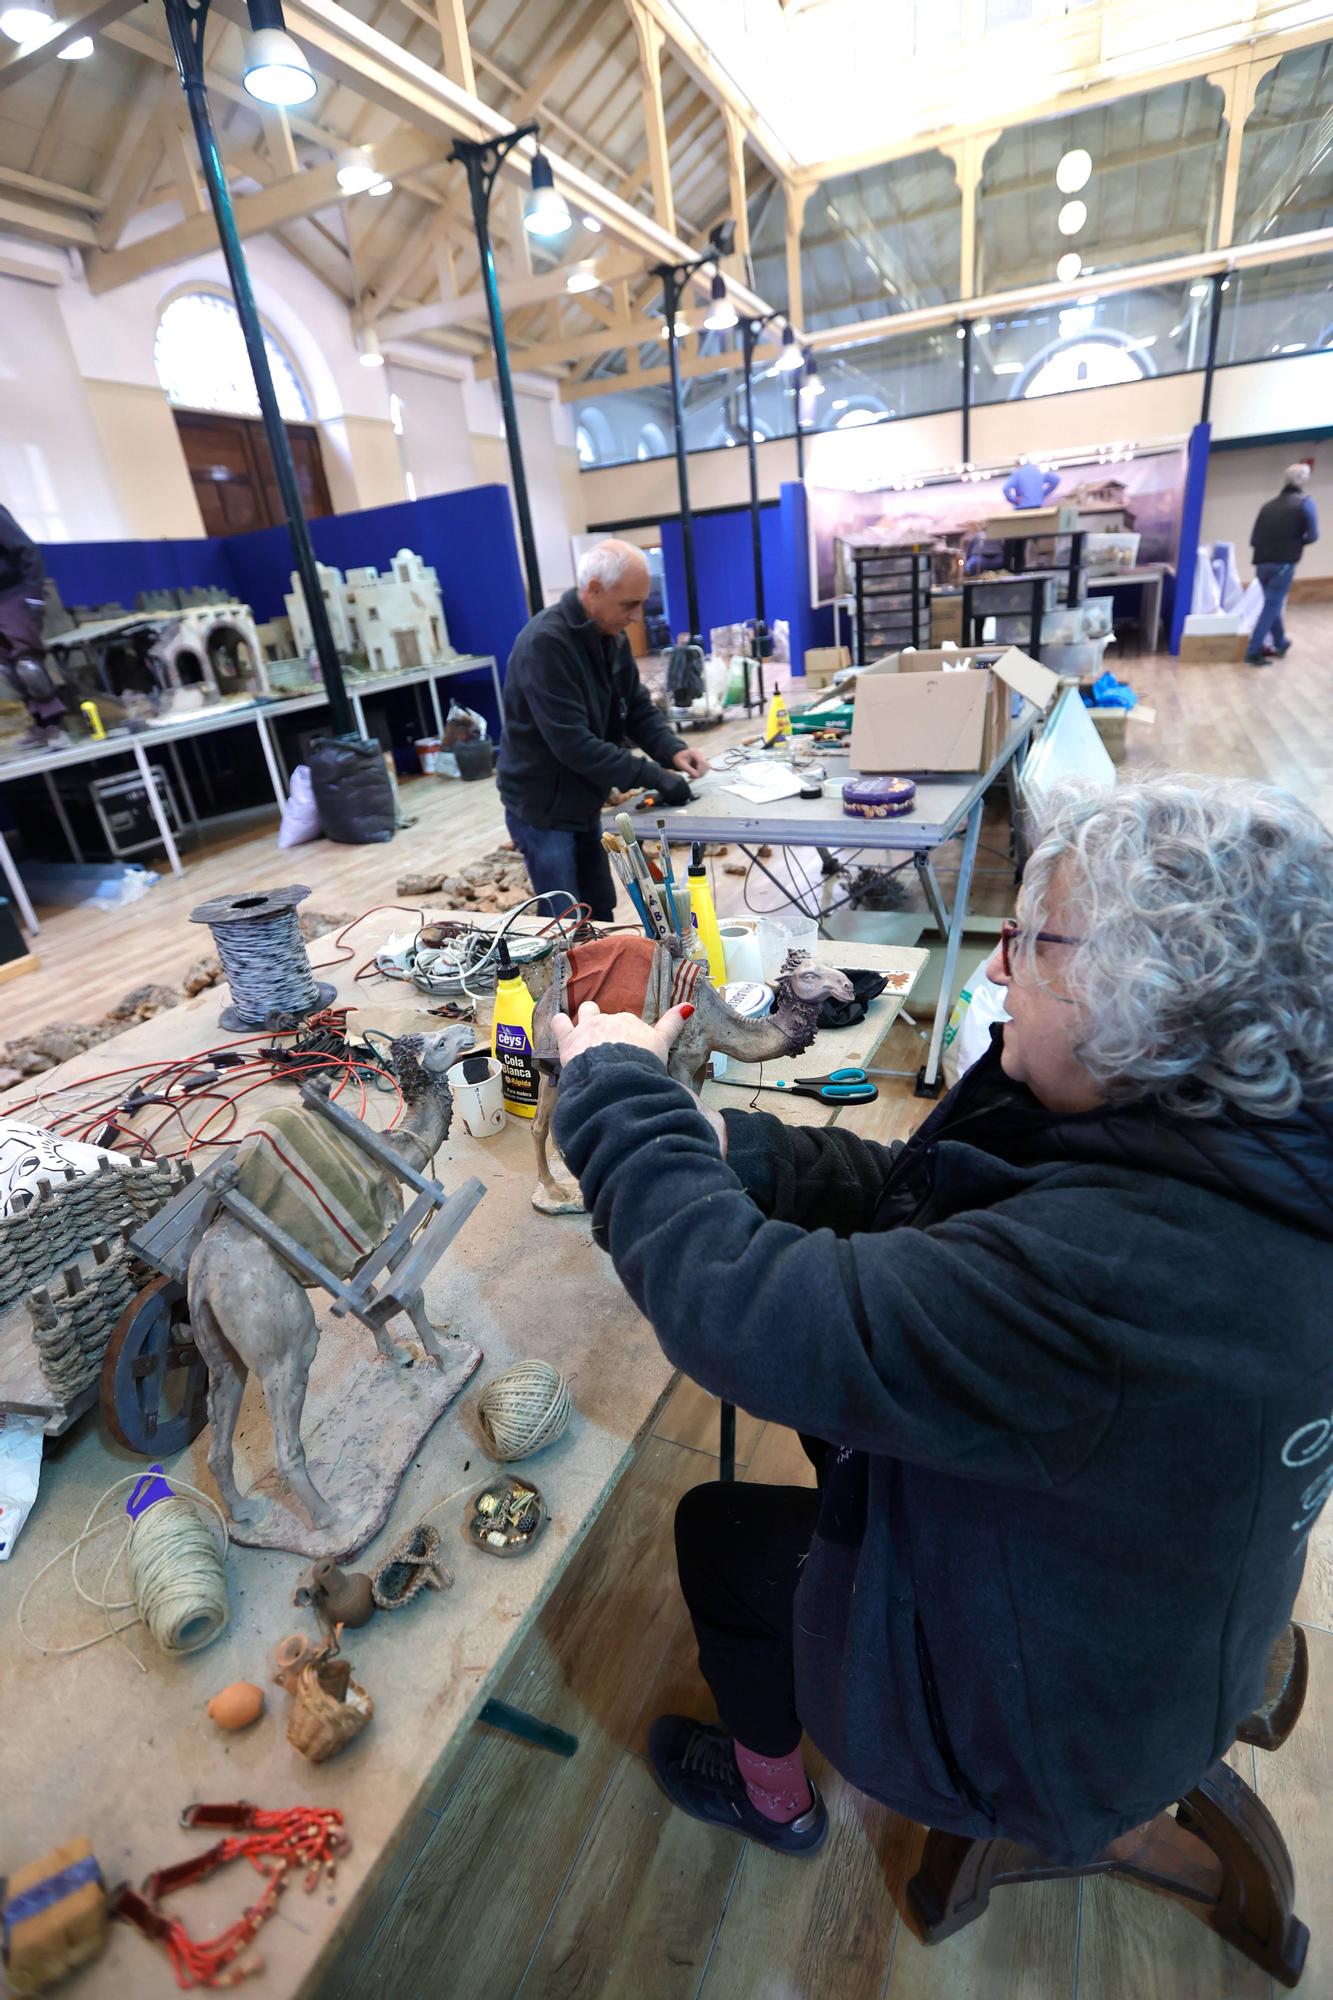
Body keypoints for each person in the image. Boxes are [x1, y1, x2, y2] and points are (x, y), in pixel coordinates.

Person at [547, 775, 1333, 1864]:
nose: (997, 965)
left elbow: (737, 1310)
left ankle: (773, 1799)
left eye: (1031, 941)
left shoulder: (1121, 1280)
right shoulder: (1245, 1143)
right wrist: (754, 1154)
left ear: (1146, 991)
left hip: (1042, 1731)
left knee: (718, 1532)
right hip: (1152, 1605)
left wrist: (612, 1093)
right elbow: (954, 1202)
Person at [497, 541, 709, 922]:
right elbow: (574, 745)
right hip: (543, 807)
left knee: (600, 909)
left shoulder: (610, 638)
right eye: (629, 604)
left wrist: (672, 751)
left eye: (641, 603)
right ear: (593, 589)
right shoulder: (546, 645)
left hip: (582, 799)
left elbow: (636, 708)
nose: (637, 616)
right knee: (566, 919)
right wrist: (655, 777)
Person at [1246, 463, 1319, 667]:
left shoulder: (1267, 506)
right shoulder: (1305, 502)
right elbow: (1313, 535)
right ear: (1303, 481)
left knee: (1272, 603)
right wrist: (1296, 543)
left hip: (1261, 563)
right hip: (1284, 563)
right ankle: (1253, 650)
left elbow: (1253, 539)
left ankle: (1280, 642)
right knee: (1272, 605)